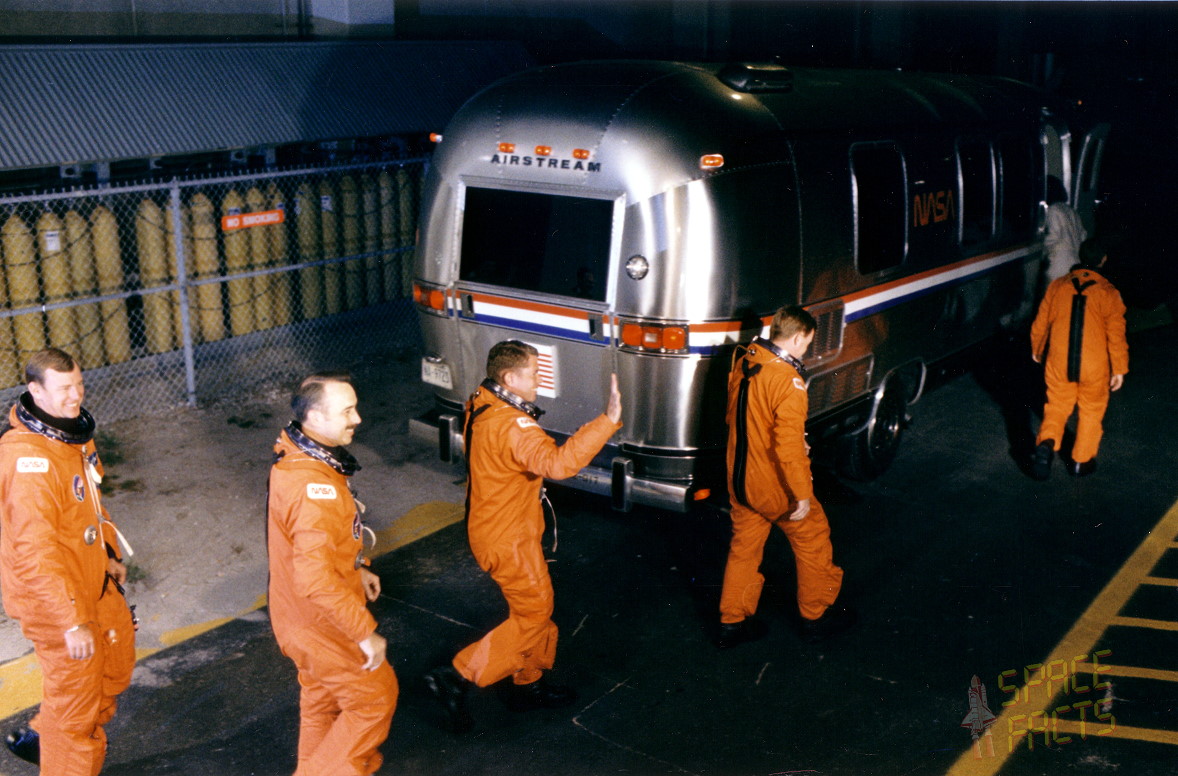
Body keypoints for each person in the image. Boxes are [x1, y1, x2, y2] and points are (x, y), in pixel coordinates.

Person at [425, 340, 621, 733]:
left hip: (499, 528)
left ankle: (527, 684)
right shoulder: (514, 425)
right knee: (534, 614)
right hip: (508, 538)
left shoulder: (482, 402)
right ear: (510, 378)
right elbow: (559, 464)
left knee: (534, 611)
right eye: (534, 373)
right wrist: (608, 420)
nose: (540, 380)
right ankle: (457, 675)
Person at [0, 347, 137, 774]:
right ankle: (64, 752)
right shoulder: (29, 459)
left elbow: (93, 502)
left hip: (91, 581)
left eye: (79, 384)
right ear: (35, 390)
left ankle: (50, 735)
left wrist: (110, 554)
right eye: (63, 389)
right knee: (77, 709)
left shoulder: (73, 435)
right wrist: (70, 620)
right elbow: (35, 551)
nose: (75, 395)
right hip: (58, 604)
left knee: (114, 669)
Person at [267, 373, 397, 776]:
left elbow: (322, 547)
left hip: (299, 615)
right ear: (315, 418)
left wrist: (356, 569)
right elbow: (317, 578)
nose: (357, 418)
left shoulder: (303, 457)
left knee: (322, 700)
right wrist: (364, 632)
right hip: (319, 621)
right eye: (347, 411)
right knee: (375, 698)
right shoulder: (311, 485)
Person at [717, 306, 854, 649]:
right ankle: (815, 616)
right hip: (774, 485)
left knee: (744, 550)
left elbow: (734, 414)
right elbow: (789, 446)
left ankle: (732, 623)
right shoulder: (789, 381)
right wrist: (803, 495)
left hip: (738, 478)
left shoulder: (746, 359)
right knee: (813, 537)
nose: (807, 349)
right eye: (807, 342)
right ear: (796, 337)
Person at [1030, 238, 1128, 479]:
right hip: (1093, 366)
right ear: (1103, 260)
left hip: (1059, 360)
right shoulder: (1108, 292)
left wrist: (1038, 349)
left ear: (1079, 257)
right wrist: (1119, 368)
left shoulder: (1058, 286)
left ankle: (1047, 443)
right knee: (1091, 411)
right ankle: (1080, 462)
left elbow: (1041, 322)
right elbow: (1116, 335)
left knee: (1057, 406)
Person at [1042, 176, 1088, 288]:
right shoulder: (1070, 210)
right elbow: (1083, 235)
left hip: (1058, 266)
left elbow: (1053, 237)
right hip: (1075, 263)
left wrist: (1040, 246)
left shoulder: (1053, 210)